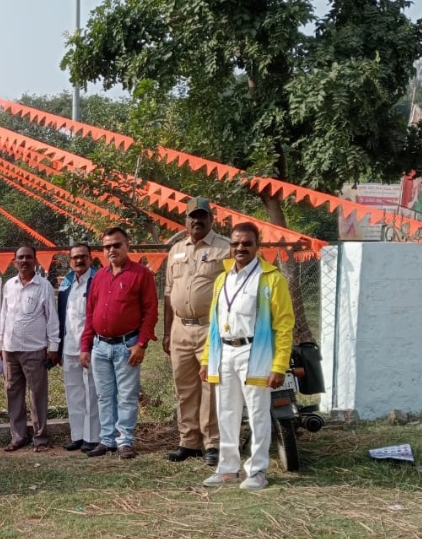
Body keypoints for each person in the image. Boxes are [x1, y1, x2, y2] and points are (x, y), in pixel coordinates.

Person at [200, 222, 295, 491]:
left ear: (257, 246)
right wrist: (207, 359)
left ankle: (257, 470)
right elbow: (214, 323)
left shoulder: (271, 278)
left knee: (257, 413)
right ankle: (228, 468)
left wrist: (279, 364)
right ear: (230, 245)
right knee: (226, 411)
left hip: (256, 353)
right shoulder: (223, 278)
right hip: (225, 351)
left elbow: (284, 325)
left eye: (246, 243)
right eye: (236, 243)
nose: (240, 248)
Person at [162, 197, 231, 466]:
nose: (197, 220)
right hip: (180, 328)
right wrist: (167, 332)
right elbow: (168, 294)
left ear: (211, 219)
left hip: (210, 327)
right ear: (186, 220)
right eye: (192, 216)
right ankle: (188, 441)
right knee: (184, 386)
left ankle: (212, 443)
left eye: (202, 216)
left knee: (210, 385)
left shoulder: (224, 248)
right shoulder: (176, 250)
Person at [80, 227, 159, 459]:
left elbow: (151, 311)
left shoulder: (141, 274)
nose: (112, 249)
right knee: (104, 395)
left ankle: (125, 441)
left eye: (117, 244)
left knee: (126, 395)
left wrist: (142, 343)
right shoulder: (99, 277)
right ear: (102, 250)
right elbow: (90, 313)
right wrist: (86, 345)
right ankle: (107, 439)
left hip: (128, 345)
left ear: (127, 245)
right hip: (100, 346)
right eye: (107, 246)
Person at [0, 245, 60, 453]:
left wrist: (54, 346)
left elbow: (52, 318)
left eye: (28, 257)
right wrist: (0, 344)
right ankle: (18, 436)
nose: (24, 261)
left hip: (34, 350)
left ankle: (40, 438)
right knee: (12, 393)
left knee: (37, 394)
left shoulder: (44, 286)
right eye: (20, 258)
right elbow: (4, 316)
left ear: (35, 260)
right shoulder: (9, 285)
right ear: (14, 261)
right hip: (10, 350)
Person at [57, 242, 100, 452]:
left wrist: (91, 345)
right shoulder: (67, 282)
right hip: (69, 345)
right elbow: (62, 315)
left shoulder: (98, 279)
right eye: (75, 257)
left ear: (91, 258)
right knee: (73, 391)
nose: (79, 260)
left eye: (83, 256)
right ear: (70, 260)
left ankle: (92, 437)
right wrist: (58, 348)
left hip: (90, 346)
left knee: (91, 391)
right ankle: (78, 436)